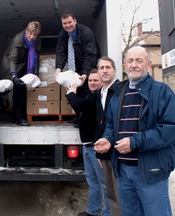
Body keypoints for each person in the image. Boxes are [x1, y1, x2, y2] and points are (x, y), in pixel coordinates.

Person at [94, 46, 175, 216]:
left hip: (151, 170)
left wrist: (134, 142)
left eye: (139, 60)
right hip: (123, 171)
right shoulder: (118, 94)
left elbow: (169, 129)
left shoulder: (162, 92)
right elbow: (111, 125)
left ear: (149, 65)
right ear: (124, 66)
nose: (134, 65)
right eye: (130, 61)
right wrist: (108, 139)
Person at [66, 70, 110, 216]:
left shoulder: (97, 97)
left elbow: (78, 105)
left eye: (95, 80)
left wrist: (71, 92)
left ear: (102, 82)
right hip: (87, 146)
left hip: (95, 147)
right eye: (90, 80)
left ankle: (108, 213)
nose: (92, 83)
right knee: (92, 181)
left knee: (104, 183)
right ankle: (93, 211)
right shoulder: (90, 95)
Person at [56, 9, 98, 127]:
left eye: (69, 22)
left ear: (75, 21)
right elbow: (61, 52)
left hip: (86, 65)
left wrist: (85, 73)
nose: (67, 25)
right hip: (72, 67)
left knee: (85, 92)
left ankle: (86, 119)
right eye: (65, 23)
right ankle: (78, 116)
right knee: (73, 92)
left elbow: (90, 55)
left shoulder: (86, 32)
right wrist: (58, 68)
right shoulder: (62, 35)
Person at [94, 56, 120, 216]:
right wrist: (99, 151)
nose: (104, 70)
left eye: (108, 67)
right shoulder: (100, 93)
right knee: (110, 192)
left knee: (120, 192)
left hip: (118, 149)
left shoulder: (119, 91)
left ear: (114, 70)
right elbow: (101, 123)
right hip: (104, 150)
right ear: (98, 71)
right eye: (101, 68)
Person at [2, 21, 41, 126]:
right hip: (13, 64)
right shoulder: (18, 39)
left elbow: (36, 58)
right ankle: (20, 118)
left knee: (22, 90)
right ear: (26, 30)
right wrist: (14, 75)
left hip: (26, 65)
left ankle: (15, 116)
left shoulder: (37, 40)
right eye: (30, 33)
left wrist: (36, 74)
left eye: (35, 35)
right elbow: (13, 58)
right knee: (18, 90)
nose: (32, 37)